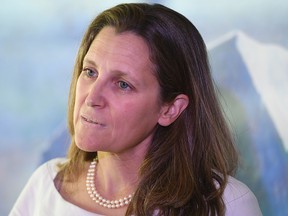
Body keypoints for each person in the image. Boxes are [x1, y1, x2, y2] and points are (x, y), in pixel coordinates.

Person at [9, 3, 262, 216]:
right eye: (90, 72)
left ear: (170, 109)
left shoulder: (226, 205)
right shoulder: (45, 185)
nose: (92, 97)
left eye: (122, 84)